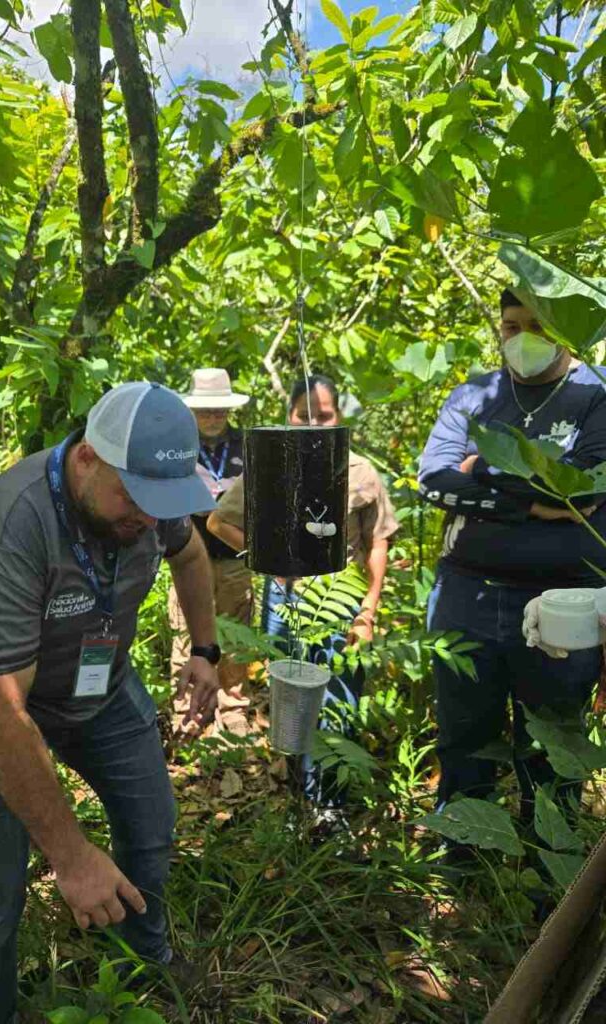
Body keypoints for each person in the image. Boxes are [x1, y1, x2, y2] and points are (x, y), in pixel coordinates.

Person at [0, 382, 222, 1023]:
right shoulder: (8, 527)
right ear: (86, 458)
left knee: (151, 825)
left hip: (97, 682)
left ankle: (140, 964)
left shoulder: (148, 502)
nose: (148, 516)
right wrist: (72, 856)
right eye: (134, 497)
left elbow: (190, 555)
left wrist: (205, 650)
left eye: (161, 501)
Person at [419, 289, 606, 820]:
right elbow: (431, 480)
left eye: (539, 325)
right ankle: (463, 861)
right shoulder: (474, 395)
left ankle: (552, 884)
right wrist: (528, 502)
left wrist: (478, 466)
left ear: (565, 328)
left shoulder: (597, 395)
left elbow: (580, 490)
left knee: (553, 749)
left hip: (565, 600)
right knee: (462, 737)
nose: (524, 338)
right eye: (511, 326)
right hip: (465, 594)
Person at [207, 374, 399, 806]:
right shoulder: (270, 464)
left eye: (324, 416)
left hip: (342, 603)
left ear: (339, 417)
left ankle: (328, 806)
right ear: (289, 415)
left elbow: (377, 541)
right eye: (303, 415)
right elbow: (221, 522)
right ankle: (295, 797)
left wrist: (368, 608)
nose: (313, 424)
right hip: (286, 599)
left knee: (338, 705)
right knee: (291, 703)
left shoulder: (360, 471)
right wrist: (275, 562)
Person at [169, 367, 252, 694]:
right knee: (186, 634)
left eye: (220, 409)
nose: (214, 416)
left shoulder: (247, 446)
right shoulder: (176, 447)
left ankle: (232, 707)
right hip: (187, 558)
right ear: (192, 409)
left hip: (234, 559)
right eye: (206, 409)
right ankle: (188, 711)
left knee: (236, 637)